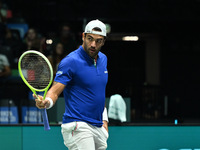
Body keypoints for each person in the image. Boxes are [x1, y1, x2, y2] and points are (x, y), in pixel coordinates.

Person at [34, 19, 109, 150]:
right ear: (83, 36)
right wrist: (47, 101)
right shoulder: (71, 61)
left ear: (103, 42)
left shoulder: (103, 59)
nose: (93, 44)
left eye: (98, 41)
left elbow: (99, 91)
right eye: (90, 38)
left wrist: (104, 120)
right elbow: (55, 91)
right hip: (78, 125)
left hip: (97, 126)